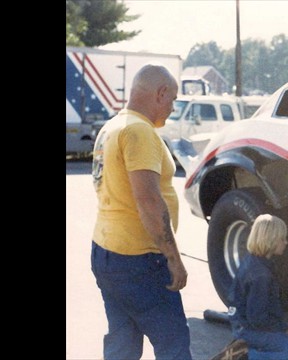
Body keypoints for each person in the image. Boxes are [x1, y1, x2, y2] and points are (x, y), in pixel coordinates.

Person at [90, 64, 192, 360]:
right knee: (173, 344)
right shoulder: (139, 131)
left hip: (107, 253)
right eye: (172, 100)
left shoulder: (112, 127)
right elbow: (148, 200)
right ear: (160, 94)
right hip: (140, 261)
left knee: (123, 341)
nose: (173, 108)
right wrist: (173, 258)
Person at [227, 214, 288, 360]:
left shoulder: (254, 259)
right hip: (250, 330)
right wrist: (284, 328)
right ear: (271, 240)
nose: (286, 242)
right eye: (282, 238)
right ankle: (246, 356)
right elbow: (258, 319)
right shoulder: (261, 275)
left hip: (245, 324)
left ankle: (253, 349)